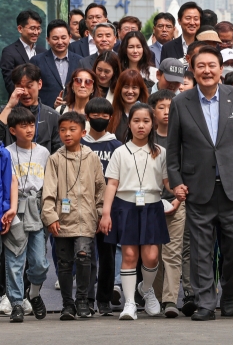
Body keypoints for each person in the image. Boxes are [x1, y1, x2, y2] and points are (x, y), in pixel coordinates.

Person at [167, 45, 233, 321]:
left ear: (221, 69)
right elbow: (173, 150)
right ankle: (206, 302)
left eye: (212, 65)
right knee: (201, 250)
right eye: (201, 66)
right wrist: (176, 182)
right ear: (193, 70)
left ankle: (229, 290)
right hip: (198, 188)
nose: (207, 71)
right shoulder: (180, 102)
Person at [98, 104, 172, 320]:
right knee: (129, 254)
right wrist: (106, 213)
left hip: (152, 206)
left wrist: (178, 191)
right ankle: (129, 303)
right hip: (126, 206)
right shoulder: (120, 152)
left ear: (153, 124)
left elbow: (167, 181)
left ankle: (145, 288)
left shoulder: (161, 152)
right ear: (129, 124)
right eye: (136, 121)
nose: (141, 125)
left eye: (146, 121)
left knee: (151, 257)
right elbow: (112, 184)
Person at [41, 111, 106, 320]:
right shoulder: (55, 159)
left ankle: (82, 300)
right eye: (62, 130)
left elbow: (100, 188)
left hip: (86, 219)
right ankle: (67, 305)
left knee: (84, 258)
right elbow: (48, 191)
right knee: (65, 263)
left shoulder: (92, 157)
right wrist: (50, 216)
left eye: (72, 129)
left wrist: (100, 212)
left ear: (83, 132)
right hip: (62, 221)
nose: (67, 134)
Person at [1, 107, 48, 323]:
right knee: (15, 259)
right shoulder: (7, 152)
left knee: (39, 262)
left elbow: (48, 185)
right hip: (15, 206)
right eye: (23, 126)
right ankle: (17, 303)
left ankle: (35, 293)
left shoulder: (43, 153)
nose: (29, 129)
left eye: (31, 125)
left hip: (36, 207)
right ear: (12, 130)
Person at [81, 97, 122, 316]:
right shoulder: (80, 145)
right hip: (84, 209)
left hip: (110, 210)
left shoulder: (117, 146)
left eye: (105, 116)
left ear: (110, 118)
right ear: (87, 118)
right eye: (95, 115)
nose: (100, 119)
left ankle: (104, 300)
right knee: (85, 255)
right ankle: (86, 299)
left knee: (107, 257)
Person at [145, 91, 183, 318]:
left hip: (177, 203)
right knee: (153, 254)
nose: (167, 112)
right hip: (149, 204)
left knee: (173, 253)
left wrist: (178, 199)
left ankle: (170, 300)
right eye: (161, 107)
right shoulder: (146, 139)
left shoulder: (183, 137)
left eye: (171, 107)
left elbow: (189, 172)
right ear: (153, 111)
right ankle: (155, 297)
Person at [0, 64, 61, 153]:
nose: (25, 92)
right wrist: (9, 106)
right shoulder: (4, 112)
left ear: (39, 84)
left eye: (29, 86)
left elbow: (59, 151)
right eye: (20, 87)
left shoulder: (53, 116)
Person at [29, 19, 82, 108]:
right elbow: (32, 90)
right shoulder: (36, 61)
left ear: (69, 37)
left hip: (73, 113)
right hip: (45, 114)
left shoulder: (80, 61)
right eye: (55, 38)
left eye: (63, 38)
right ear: (48, 40)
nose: (60, 42)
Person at [1, 10, 46, 95]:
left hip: (42, 104)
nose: (36, 32)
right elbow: (10, 83)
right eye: (32, 28)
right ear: (20, 29)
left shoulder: (43, 52)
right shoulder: (9, 52)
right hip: (19, 103)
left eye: (38, 28)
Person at [107, 70, 149, 143]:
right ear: (120, 89)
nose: (130, 91)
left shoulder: (149, 115)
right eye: (126, 87)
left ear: (140, 90)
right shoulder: (111, 115)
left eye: (134, 87)